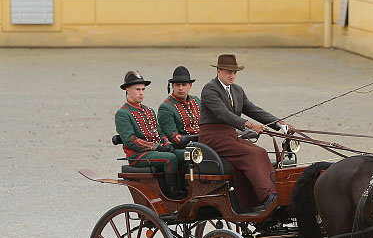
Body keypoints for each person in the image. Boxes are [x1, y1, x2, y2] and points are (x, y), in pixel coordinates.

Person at [199, 54, 294, 212]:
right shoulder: (210, 89)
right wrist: (248, 125)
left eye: (235, 72)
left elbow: (253, 110)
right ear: (218, 71)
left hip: (230, 136)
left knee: (260, 151)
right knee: (251, 153)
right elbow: (223, 114)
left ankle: (271, 194)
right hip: (213, 137)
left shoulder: (237, 90)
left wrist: (279, 124)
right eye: (229, 72)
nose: (232, 76)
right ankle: (267, 196)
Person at [115, 71, 187, 199]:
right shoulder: (123, 113)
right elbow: (130, 140)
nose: (141, 93)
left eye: (143, 89)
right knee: (169, 159)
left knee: (186, 155)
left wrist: (168, 144)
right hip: (138, 155)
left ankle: (187, 190)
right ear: (127, 89)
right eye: (137, 89)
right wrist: (156, 147)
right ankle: (174, 195)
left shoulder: (149, 111)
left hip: (156, 151)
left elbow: (159, 132)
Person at [158, 66, 200, 146]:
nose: (180, 88)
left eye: (184, 85)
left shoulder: (196, 101)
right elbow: (174, 138)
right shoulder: (166, 107)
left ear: (190, 85)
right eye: (177, 85)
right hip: (182, 147)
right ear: (173, 86)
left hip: (202, 141)